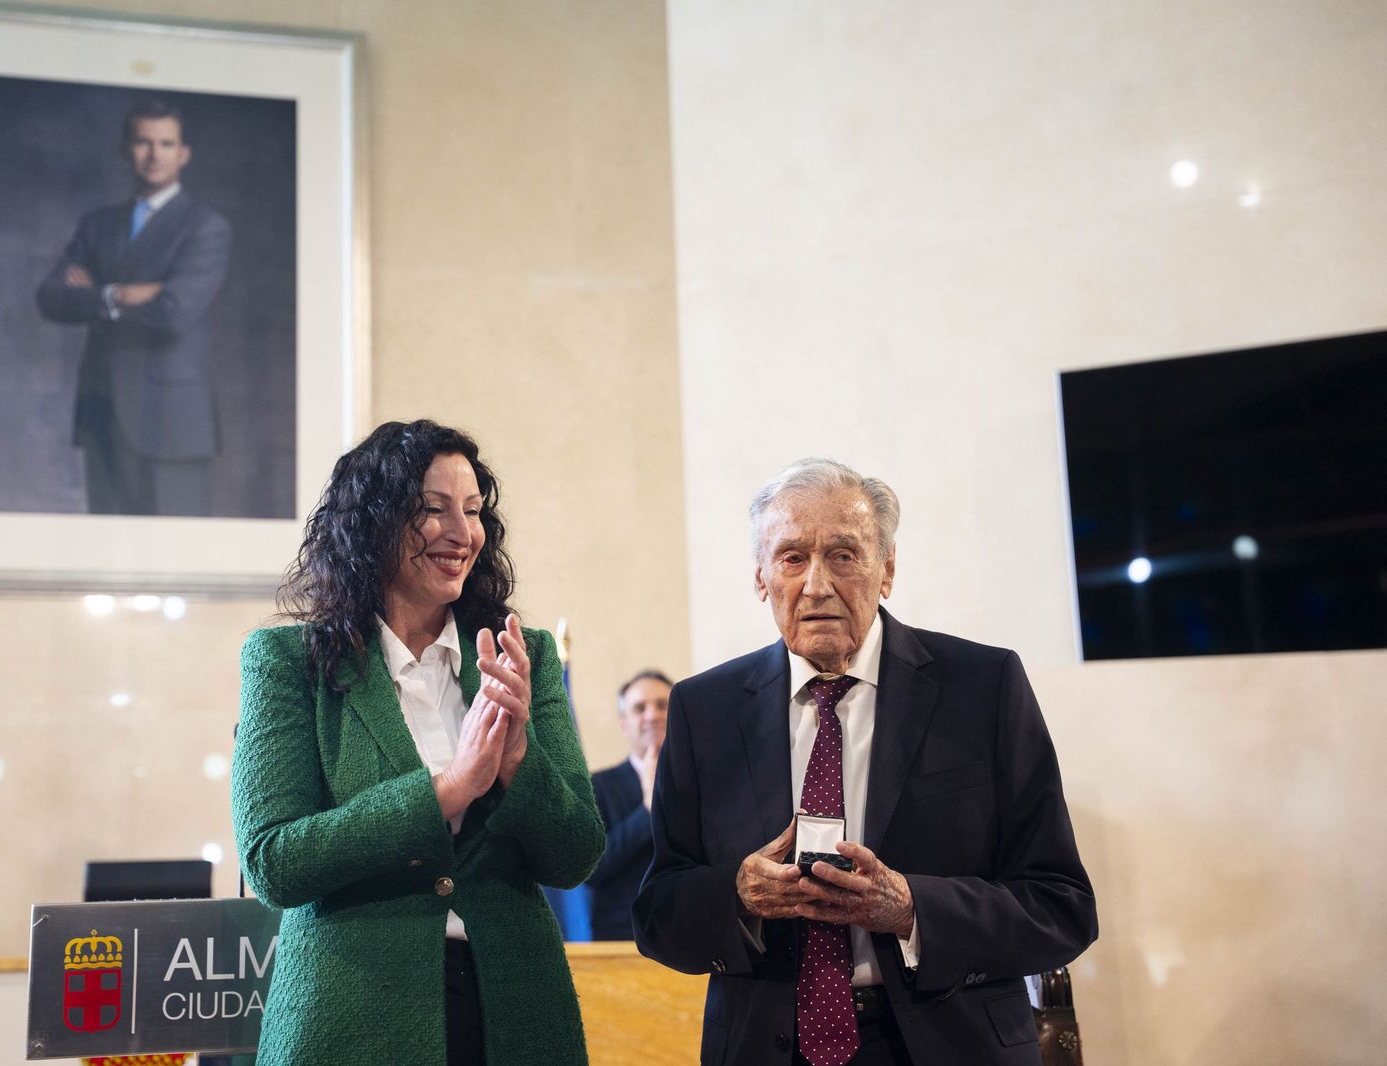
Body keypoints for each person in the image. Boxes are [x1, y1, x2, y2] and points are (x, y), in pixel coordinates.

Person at [632, 459, 1097, 1066]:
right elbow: (659, 912)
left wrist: (911, 910)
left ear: (888, 570)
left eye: (844, 555)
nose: (817, 583)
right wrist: (738, 896)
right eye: (792, 557)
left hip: (951, 1044)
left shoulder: (982, 688)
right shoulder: (703, 709)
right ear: (761, 577)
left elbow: (1061, 905)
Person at [231, 419, 605, 1066]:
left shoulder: (525, 656)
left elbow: (575, 858)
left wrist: (519, 761)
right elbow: (274, 861)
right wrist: (447, 792)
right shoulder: (288, 662)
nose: (462, 534)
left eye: (473, 511)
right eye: (433, 511)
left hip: (513, 1015)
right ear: (372, 523)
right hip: (352, 1019)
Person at [36, 97, 231, 517]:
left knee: (178, 559)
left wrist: (95, 295)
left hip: (173, 420)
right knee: (107, 559)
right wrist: (119, 294)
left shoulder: (205, 226)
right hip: (101, 409)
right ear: (126, 149)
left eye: (165, 143)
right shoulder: (97, 224)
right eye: (143, 142)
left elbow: (174, 312)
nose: (154, 154)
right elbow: (51, 297)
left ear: (183, 153)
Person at [584, 669, 671, 940]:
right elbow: (591, 869)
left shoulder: (701, 782)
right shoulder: (597, 785)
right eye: (639, 708)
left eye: (661, 705)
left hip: (688, 934)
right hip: (621, 936)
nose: (652, 715)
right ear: (623, 723)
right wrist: (647, 810)